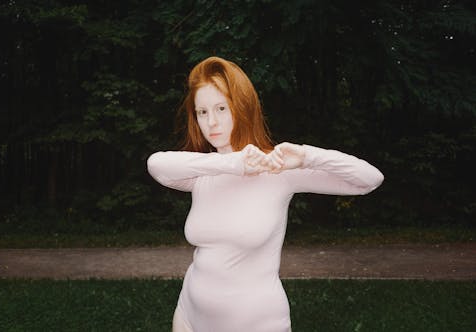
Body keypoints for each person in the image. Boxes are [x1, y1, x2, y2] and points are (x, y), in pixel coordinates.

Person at [147, 56, 384, 332]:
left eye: (221, 108)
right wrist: (233, 164)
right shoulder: (204, 172)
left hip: (257, 323)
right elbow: (156, 164)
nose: (211, 122)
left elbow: (368, 180)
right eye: (202, 112)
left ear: (242, 106)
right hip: (189, 316)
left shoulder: (277, 170)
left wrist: (308, 155)